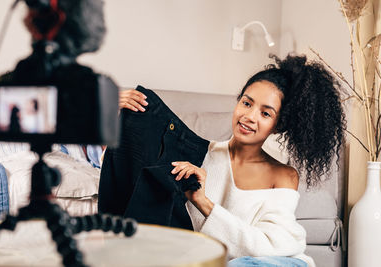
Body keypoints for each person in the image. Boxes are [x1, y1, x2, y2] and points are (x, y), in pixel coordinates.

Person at [115, 53, 345, 267]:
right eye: (247, 103)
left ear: (279, 125)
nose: (249, 117)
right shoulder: (198, 159)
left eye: (266, 113)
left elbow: (271, 247)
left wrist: (204, 203)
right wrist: (119, 118)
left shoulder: (283, 175)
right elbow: (130, 183)